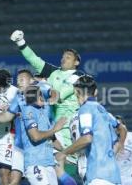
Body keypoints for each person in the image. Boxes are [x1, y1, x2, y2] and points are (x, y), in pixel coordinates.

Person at [10, 30, 83, 182]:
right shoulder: (53, 73)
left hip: (68, 129)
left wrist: (43, 89)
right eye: (63, 56)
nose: (64, 58)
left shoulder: (78, 76)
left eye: (68, 57)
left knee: (65, 169)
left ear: (76, 62)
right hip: (52, 130)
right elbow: (35, 60)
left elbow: (59, 95)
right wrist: (21, 43)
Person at [61, 75, 127, 185]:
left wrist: (64, 153)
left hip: (97, 175)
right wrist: (121, 144)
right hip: (114, 175)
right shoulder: (104, 111)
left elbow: (87, 138)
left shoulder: (85, 109)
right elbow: (122, 128)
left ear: (76, 92)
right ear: (95, 92)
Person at [21, 85, 66, 185]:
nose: (42, 97)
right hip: (35, 162)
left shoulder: (44, 112)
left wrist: (66, 151)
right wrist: (55, 129)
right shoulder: (29, 111)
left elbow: (52, 139)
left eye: (42, 94)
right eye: (39, 95)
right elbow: (35, 136)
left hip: (49, 163)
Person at [115, 115, 132, 185]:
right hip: (116, 177)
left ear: (124, 126)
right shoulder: (109, 139)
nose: (118, 128)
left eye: (119, 125)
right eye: (115, 126)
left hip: (131, 175)